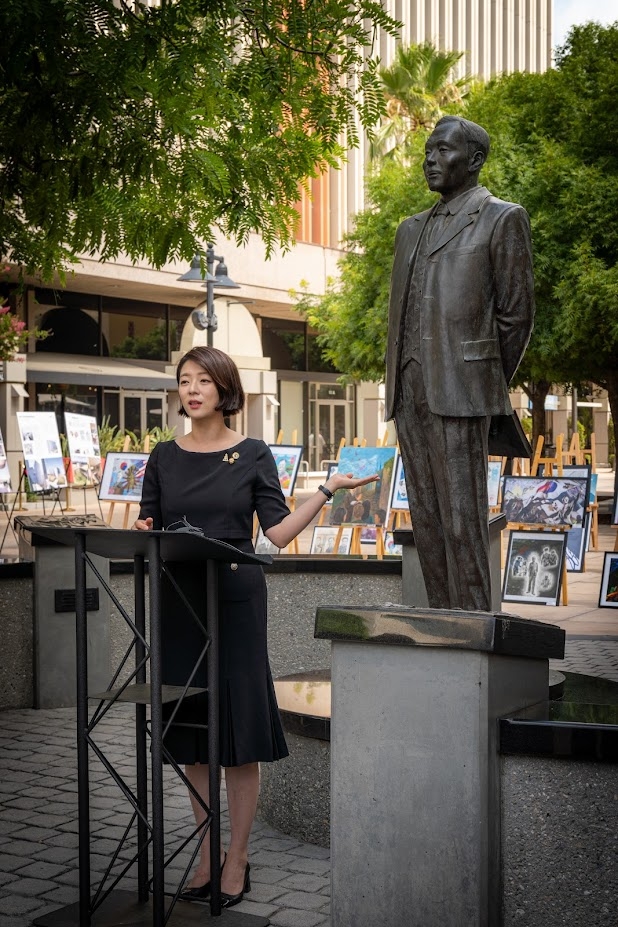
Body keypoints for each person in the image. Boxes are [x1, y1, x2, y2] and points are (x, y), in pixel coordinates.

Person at [134, 346, 377, 907]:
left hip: (236, 603)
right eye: (184, 381)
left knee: (237, 738)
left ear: (224, 390)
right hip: (179, 602)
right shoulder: (163, 456)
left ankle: (238, 858)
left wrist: (326, 490)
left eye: (202, 381)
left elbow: (278, 532)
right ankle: (205, 855)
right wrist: (147, 528)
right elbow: (151, 522)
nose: (191, 389)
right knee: (193, 736)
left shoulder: (252, 454)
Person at [385, 115, 535, 611]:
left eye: (443, 150)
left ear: (474, 160)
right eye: (428, 150)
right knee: (425, 517)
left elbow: (516, 316)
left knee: (462, 520)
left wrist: (480, 378)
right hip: (407, 391)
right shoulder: (409, 229)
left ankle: (472, 630)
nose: (431, 159)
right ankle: (439, 624)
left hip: (460, 390)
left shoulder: (501, 218)